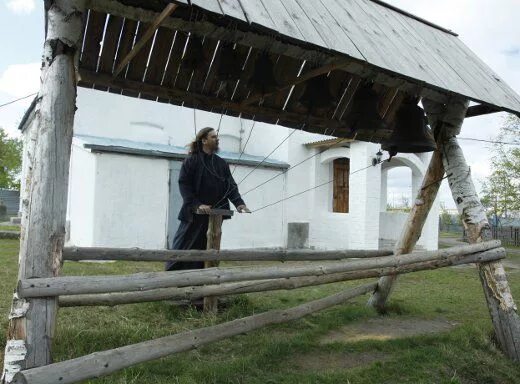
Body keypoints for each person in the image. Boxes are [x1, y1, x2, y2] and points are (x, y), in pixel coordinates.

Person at [165, 127, 250, 272]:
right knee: (185, 246)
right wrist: (197, 204)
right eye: (213, 137)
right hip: (194, 215)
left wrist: (239, 203)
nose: (217, 139)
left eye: (217, 137)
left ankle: (203, 284)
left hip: (215, 216)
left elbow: (230, 185)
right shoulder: (191, 161)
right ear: (204, 140)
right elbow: (184, 185)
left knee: (209, 248)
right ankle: (174, 279)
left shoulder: (221, 163)